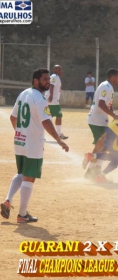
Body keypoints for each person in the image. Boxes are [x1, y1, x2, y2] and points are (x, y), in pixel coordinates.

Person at [0, 68, 69, 223]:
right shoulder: (39, 98)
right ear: (35, 80)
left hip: (20, 141)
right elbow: (46, 121)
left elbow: (13, 117)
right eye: (45, 79)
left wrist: (19, 132)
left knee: (22, 173)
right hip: (33, 143)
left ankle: (7, 200)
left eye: (48, 79)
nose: (48, 82)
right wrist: (59, 140)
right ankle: (22, 214)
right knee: (29, 178)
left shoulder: (23, 94)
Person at [83, 68, 118, 180]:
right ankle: (90, 169)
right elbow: (101, 104)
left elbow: (108, 104)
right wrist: (113, 116)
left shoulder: (108, 87)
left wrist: (113, 114)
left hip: (100, 120)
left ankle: (95, 168)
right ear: (113, 77)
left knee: (104, 145)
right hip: (97, 120)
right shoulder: (106, 86)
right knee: (101, 145)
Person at [45, 65, 68, 139]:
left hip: (51, 100)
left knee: (47, 117)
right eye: (60, 70)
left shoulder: (55, 77)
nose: (62, 71)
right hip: (53, 101)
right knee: (59, 116)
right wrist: (51, 95)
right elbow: (51, 86)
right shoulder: (55, 76)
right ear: (56, 70)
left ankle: (40, 134)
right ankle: (59, 133)